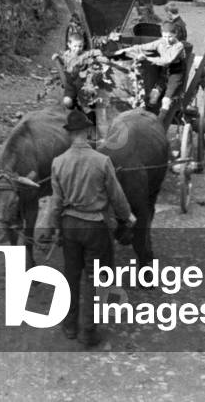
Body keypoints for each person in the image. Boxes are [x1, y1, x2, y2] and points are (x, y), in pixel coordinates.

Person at [49, 109, 136, 347]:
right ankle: (87, 331)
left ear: (69, 135)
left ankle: (69, 325)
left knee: (71, 276)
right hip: (95, 226)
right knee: (94, 278)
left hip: (70, 226)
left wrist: (53, 228)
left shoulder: (58, 163)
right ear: (87, 132)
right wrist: (127, 216)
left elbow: (55, 203)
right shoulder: (102, 161)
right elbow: (116, 195)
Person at [118, 20, 185, 118]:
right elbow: (143, 47)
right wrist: (124, 50)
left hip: (175, 75)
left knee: (166, 101)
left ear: (175, 34)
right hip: (164, 74)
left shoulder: (179, 46)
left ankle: (160, 125)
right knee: (152, 98)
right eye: (164, 36)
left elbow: (167, 60)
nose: (167, 40)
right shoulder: (160, 42)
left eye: (170, 37)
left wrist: (147, 58)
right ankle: (150, 119)